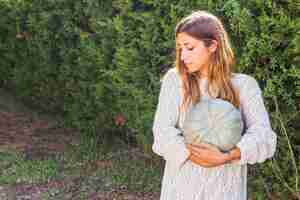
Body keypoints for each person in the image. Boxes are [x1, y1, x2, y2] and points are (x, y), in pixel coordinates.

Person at [152, 10, 277, 200]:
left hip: (225, 191)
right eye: (180, 48)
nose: (183, 56)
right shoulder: (175, 80)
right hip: (182, 189)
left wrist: (228, 156)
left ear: (212, 45)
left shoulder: (244, 86)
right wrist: (197, 156)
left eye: (189, 47)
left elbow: (264, 137)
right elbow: (162, 131)